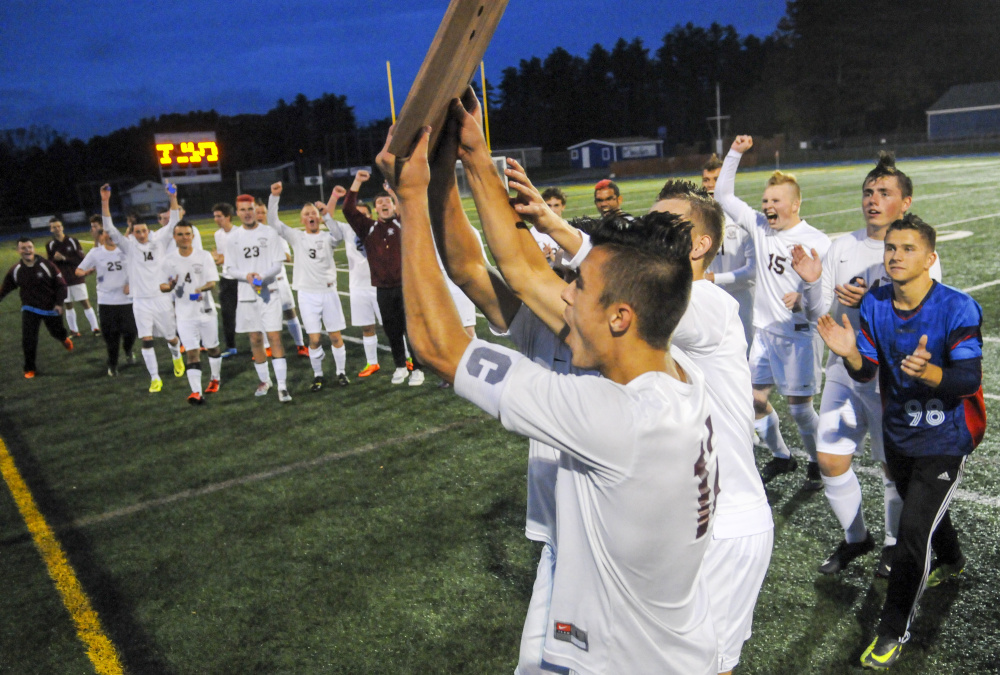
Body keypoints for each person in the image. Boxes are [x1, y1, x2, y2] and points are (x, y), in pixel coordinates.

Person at [426, 91, 719, 674]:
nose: (563, 288)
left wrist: (433, 183)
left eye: (577, 279)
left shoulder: (677, 330)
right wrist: (468, 163)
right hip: (576, 548)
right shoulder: (595, 334)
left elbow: (487, 304)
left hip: (638, 565)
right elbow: (491, 267)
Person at [817, 214, 985, 669]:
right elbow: (867, 370)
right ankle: (952, 560)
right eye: (891, 248)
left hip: (947, 436)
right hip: (899, 435)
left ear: (930, 257)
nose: (895, 255)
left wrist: (932, 373)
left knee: (911, 534)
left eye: (908, 248)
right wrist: (851, 353)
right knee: (923, 515)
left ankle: (892, 629)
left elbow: (969, 378)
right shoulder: (874, 305)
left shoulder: (958, 307)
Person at [815, 153, 943, 578]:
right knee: (830, 458)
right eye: (868, 192)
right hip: (843, 370)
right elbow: (822, 309)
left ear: (905, 202)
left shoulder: (917, 253)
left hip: (891, 378)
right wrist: (812, 283)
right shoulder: (841, 247)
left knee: (894, 469)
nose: (873, 199)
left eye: (884, 193)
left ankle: (891, 543)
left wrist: (869, 298)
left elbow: (925, 313)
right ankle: (857, 538)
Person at [715, 135, 832, 489]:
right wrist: (735, 153)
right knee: (752, 400)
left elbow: (824, 303)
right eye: (765, 199)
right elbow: (723, 196)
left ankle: (816, 460)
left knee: (799, 409)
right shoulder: (759, 227)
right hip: (764, 334)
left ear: (795, 204)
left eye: (776, 200)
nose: (768, 205)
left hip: (797, 336)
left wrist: (805, 292)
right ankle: (783, 456)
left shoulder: (818, 241)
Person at [342, 169, 425, 386]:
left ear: (394, 205)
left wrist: (394, 192)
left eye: (388, 202)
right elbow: (348, 209)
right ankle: (400, 366)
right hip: (383, 289)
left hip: (406, 287)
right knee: (392, 329)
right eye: (380, 203)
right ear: (375, 209)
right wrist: (357, 182)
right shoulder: (368, 228)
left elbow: (409, 205)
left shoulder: (403, 223)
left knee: (411, 329)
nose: (384, 205)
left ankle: (417, 368)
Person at [101, 183, 185, 393]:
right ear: (133, 233)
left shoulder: (159, 241)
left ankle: (177, 357)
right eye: (137, 231)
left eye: (143, 231)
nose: (140, 234)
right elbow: (110, 228)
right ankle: (155, 378)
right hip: (140, 302)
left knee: (170, 337)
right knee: (146, 340)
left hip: (161, 298)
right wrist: (105, 200)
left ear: (149, 231)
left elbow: (174, 220)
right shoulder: (129, 247)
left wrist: (172, 197)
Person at [268, 182, 350, 390]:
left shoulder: (327, 236)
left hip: (329, 292)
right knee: (314, 339)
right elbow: (273, 222)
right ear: (301, 219)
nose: (311, 217)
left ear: (318, 217)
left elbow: (339, 236)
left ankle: (341, 372)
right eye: (307, 214)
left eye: (314, 213)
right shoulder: (296, 236)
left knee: (335, 336)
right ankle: (318, 375)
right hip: (307, 295)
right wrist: (274, 197)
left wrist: (328, 215)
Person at [225, 194, 293, 401]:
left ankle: (282, 386)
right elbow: (229, 268)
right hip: (246, 295)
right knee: (255, 339)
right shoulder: (233, 238)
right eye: (243, 210)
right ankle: (265, 381)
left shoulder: (270, 233)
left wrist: (261, 277)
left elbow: (278, 264)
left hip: (268, 292)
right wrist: (246, 276)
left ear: (256, 210)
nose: (247, 213)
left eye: (250, 209)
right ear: (237, 213)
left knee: (274, 337)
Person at [318, 191, 384, 378]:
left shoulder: (379, 227)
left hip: (380, 285)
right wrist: (333, 199)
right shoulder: (347, 229)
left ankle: (405, 359)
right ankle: (372, 363)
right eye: (357, 214)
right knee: (366, 327)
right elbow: (327, 220)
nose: (360, 217)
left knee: (392, 325)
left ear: (371, 216)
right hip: (357, 287)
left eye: (364, 214)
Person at [161, 221, 223, 404]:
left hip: (206, 311)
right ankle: (196, 392)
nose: (184, 237)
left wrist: (200, 288)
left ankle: (215, 379)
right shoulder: (169, 260)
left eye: (187, 234)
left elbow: (212, 281)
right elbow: (162, 285)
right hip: (184, 315)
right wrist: (169, 286)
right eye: (180, 234)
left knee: (212, 347)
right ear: (174, 237)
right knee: (192, 352)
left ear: (193, 236)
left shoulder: (203, 256)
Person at [699, 154, 755, 352]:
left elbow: (751, 272)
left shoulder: (743, 219)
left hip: (741, 300)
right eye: (706, 180)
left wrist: (714, 278)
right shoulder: (697, 220)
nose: (710, 185)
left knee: (745, 357)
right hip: (710, 302)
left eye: (717, 179)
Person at [1, 237, 73, 378]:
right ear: (18, 251)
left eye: (29, 247)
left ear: (34, 249)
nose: (27, 250)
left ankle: (64, 338)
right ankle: (29, 368)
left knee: (56, 332)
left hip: (50, 308)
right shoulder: (16, 270)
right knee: (28, 338)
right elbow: (5, 289)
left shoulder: (48, 265)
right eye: (23, 248)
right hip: (30, 308)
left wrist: (59, 303)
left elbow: (61, 285)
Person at [77, 227, 136, 376]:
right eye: (106, 234)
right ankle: (113, 364)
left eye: (112, 234)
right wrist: (86, 272)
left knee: (131, 331)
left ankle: (128, 350)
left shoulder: (127, 250)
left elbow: (139, 268)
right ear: (102, 236)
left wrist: (131, 283)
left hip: (127, 300)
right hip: (106, 301)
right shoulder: (96, 253)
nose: (110, 237)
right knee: (111, 336)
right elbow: (78, 270)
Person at [255, 198, 307, 358]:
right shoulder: (247, 235)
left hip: (279, 280)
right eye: (257, 212)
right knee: (260, 314)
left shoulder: (275, 231)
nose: (260, 215)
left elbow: (287, 256)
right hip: (259, 282)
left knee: (290, 312)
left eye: (263, 212)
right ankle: (267, 347)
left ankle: (300, 346)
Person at [46, 217, 100, 336]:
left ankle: (95, 328)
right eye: (54, 227)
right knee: (68, 305)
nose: (57, 229)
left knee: (85, 302)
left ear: (62, 227)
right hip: (62, 281)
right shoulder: (50, 245)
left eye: (58, 226)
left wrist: (64, 258)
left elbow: (81, 259)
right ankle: (74, 331)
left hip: (76, 278)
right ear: (51, 229)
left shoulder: (72, 241)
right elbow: (50, 264)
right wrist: (54, 259)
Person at [211, 202, 239, 357]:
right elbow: (222, 258)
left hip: (241, 280)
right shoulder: (218, 234)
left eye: (219, 216)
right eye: (215, 216)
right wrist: (216, 259)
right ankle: (231, 347)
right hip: (226, 279)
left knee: (249, 314)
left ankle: (262, 346)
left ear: (228, 216)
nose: (216, 219)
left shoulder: (239, 233)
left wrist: (223, 258)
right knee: (227, 314)